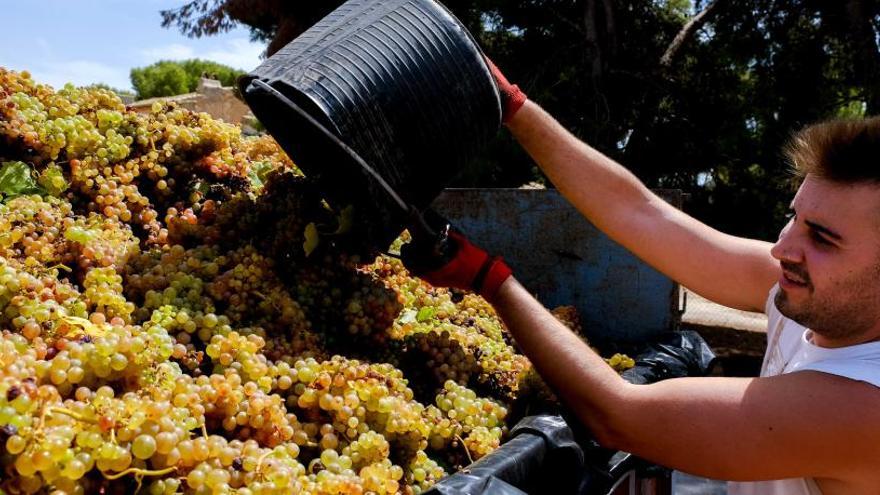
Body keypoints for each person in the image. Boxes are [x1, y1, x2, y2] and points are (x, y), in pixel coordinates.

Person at [402, 60, 880, 494]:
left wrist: (492, 281)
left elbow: (618, 415)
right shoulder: (814, 292)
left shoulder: (863, 407)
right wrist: (515, 108)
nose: (782, 249)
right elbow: (640, 213)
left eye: (821, 238)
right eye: (792, 217)